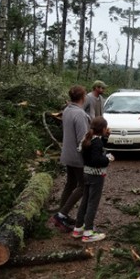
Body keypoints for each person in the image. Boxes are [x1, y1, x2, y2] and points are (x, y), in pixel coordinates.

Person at [51, 85, 90, 232]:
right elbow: (83, 139)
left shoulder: (67, 110)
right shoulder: (79, 114)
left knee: (70, 183)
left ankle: (61, 215)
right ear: (83, 97)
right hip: (77, 156)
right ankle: (62, 214)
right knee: (83, 185)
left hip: (67, 153)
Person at [71, 116, 114, 242]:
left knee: (85, 201)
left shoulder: (88, 138)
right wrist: (108, 159)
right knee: (92, 203)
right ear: (103, 128)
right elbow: (97, 159)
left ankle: (78, 228)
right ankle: (88, 232)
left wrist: (105, 138)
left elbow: (95, 150)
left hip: (86, 173)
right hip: (96, 176)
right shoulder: (96, 142)